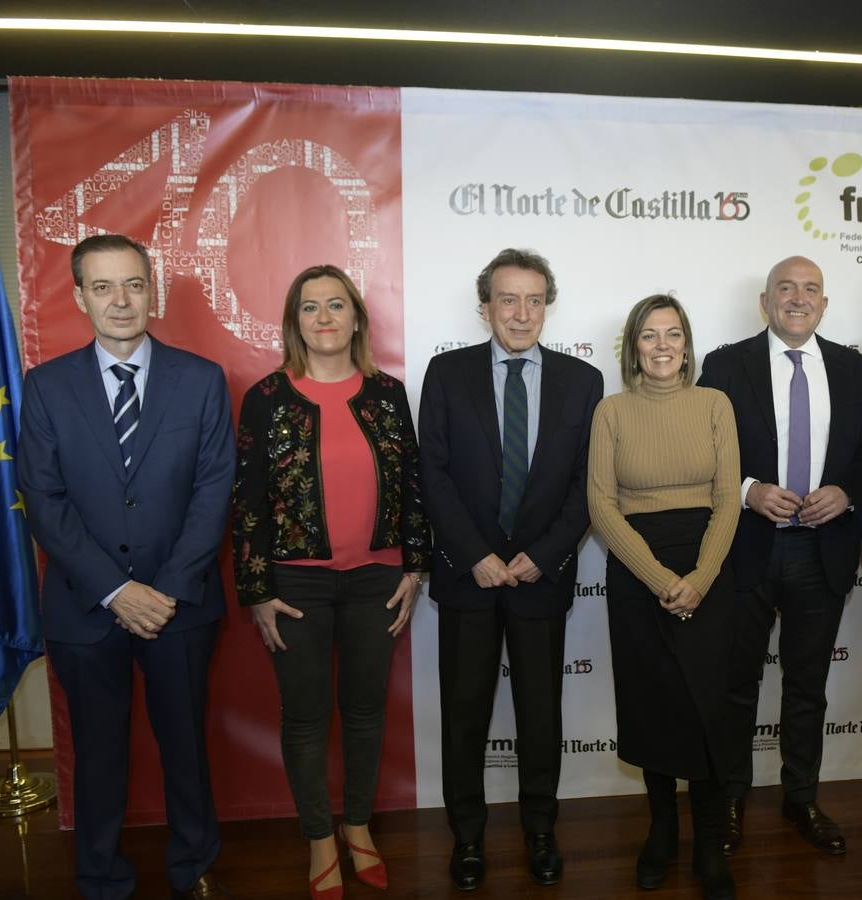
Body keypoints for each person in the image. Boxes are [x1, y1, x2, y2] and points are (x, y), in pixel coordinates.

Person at [17, 234, 233, 899]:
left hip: (182, 604)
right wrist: (117, 590)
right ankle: (101, 876)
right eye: (103, 287)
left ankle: (193, 868)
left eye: (134, 284)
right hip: (86, 607)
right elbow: (45, 502)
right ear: (80, 297)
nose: (120, 300)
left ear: (152, 290)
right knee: (99, 754)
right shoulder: (46, 388)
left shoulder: (201, 379)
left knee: (186, 749)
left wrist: (162, 592)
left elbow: (213, 491)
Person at [232, 264, 430, 899]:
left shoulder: (387, 393)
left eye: (336, 305)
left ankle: (359, 826)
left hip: (377, 579)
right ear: (294, 322)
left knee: (367, 711)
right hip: (295, 586)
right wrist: (258, 589)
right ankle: (319, 834)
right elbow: (249, 502)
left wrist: (416, 566)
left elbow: (413, 487)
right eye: (310, 307)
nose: (324, 318)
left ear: (356, 319)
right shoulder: (266, 397)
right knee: (306, 716)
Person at [418, 248, 603, 891]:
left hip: (538, 578)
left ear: (547, 306)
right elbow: (432, 475)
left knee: (540, 715)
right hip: (469, 577)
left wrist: (545, 554)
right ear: (485, 307)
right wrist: (477, 555)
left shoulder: (583, 382)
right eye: (507, 299)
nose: (521, 313)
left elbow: (587, 486)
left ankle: (540, 831)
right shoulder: (447, 373)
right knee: (464, 715)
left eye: (533, 300)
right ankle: (466, 838)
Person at [698, 256, 862, 857]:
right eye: (786, 288)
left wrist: (848, 491)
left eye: (810, 290)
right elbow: (704, 451)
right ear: (765, 302)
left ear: (824, 305)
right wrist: (750, 490)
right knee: (736, 684)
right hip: (746, 550)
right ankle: (730, 797)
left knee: (808, 686)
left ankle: (801, 797)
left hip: (822, 552)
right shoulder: (726, 365)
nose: (798, 299)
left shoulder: (855, 369)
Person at [589, 294, 740, 899]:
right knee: (652, 702)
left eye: (672, 334)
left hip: (707, 563)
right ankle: (660, 832)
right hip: (636, 570)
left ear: (686, 343)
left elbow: (729, 497)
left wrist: (699, 580)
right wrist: (658, 581)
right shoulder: (611, 412)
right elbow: (601, 504)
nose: (661, 346)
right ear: (633, 346)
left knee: (707, 707)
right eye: (648, 336)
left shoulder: (715, 403)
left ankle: (708, 841)